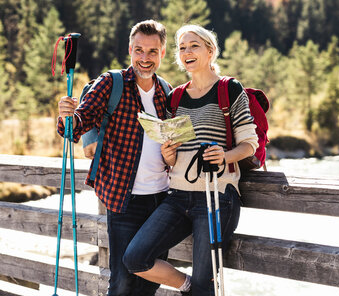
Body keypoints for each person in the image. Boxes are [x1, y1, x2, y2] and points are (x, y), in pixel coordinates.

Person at [122, 24, 258, 295]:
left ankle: (197, 288)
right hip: (178, 197)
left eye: (193, 45)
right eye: (181, 47)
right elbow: (174, 153)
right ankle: (188, 287)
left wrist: (224, 156)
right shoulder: (176, 97)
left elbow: (249, 144)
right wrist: (168, 155)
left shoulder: (228, 89)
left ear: (210, 51)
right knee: (135, 258)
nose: (186, 52)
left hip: (217, 196)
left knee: (205, 286)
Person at [57, 20, 171, 296]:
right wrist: (66, 115)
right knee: (121, 281)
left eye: (152, 51)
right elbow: (77, 125)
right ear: (130, 50)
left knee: (149, 281)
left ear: (162, 54)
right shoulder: (112, 83)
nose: (145, 58)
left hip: (163, 201)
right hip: (124, 199)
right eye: (139, 50)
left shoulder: (167, 92)